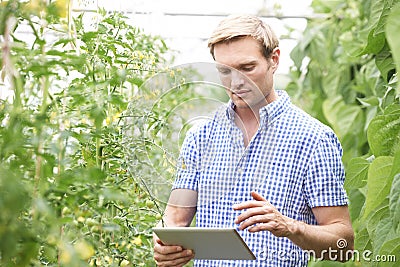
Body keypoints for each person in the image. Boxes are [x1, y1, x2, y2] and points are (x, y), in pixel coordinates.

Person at [153, 14, 354, 267]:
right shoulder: (200, 138)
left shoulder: (313, 139)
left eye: (248, 68)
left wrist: (290, 226)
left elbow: (344, 246)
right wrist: (164, 246)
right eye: (225, 71)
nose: (236, 82)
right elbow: (174, 219)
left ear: (274, 60)